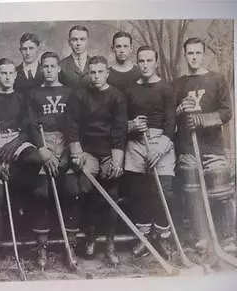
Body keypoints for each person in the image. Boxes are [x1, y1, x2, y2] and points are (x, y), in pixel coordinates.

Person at [173, 37, 236, 253]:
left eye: (198, 53)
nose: (194, 57)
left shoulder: (217, 79)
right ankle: (201, 236)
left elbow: (227, 112)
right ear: (185, 55)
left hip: (212, 146)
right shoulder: (177, 84)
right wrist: (180, 109)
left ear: (204, 54)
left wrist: (203, 119)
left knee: (220, 187)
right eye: (190, 53)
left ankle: (227, 237)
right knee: (191, 187)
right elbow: (168, 117)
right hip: (188, 147)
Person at [66, 55, 127, 265]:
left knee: (111, 194)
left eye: (100, 72)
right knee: (88, 190)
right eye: (92, 72)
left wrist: (117, 160)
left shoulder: (117, 96)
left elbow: (120, 129)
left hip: (110, 152)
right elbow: (72, 126)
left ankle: (110, 244)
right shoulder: (79, 95)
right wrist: (77, 153)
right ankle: (90, 238)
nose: (96, 76)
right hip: (87, 152)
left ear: (107, 73)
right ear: (88, 73)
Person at [0, 58, 34, 274]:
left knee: (31, 172)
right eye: (3, 73)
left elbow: (28, 129)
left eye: (11, 73)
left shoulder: (21, 97)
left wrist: (15, 144)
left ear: (16, 75)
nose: (8, 77)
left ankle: (25, 241)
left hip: (16, 146)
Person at [123, 46, 176, 259]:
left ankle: (162, 237)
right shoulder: (130, 90)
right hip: (136, 143)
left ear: (156, 62)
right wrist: (131, 125)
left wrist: (160, 148)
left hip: (161, 142)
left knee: (165, 191)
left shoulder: (165, 88)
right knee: (140, 192)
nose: (145, 65)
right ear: (137, 63)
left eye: (149, 60)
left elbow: (171, 122)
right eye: (141, 61)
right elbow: (120, 122)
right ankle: (144, 238)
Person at [27, 51, 79, 270]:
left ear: (59, 68)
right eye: (44, 66)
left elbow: (74, 124)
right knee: (41, 193)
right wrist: (43, 151)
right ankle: (42, 245)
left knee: (71, 189)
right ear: (41, 69)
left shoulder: (69, 92)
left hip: (65, 143)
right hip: (44, 145)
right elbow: (31, 125)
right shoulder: (34, 93)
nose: (48, 70)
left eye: (52, 66)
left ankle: (71, 244)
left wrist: (65, 156)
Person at [14, 32, 44, 98]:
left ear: (38, 49)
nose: (28, 53)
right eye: (24, 49)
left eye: (31, 48)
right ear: (20, 50)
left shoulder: (45, 71)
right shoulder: (14, 73)